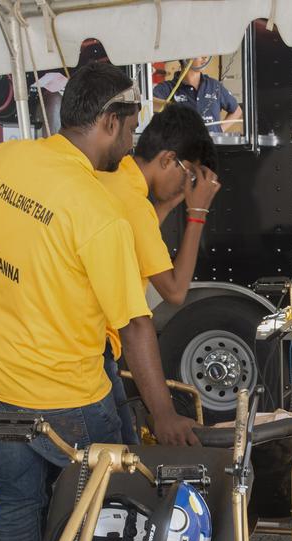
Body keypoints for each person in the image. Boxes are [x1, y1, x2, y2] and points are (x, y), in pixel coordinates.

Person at [0, 63, 200, 541]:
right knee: (107, 502)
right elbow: (135, 325)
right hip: (63, 391)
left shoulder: (7, 159)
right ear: (110, 122)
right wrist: (163, 414)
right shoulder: (96, 211)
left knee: (19, 498)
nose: (130, 144)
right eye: (131, 129)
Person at [96, 104, 222, 443]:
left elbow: (141, 233)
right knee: (114, 455)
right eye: (189, 175)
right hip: (93, 349)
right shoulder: (134, 203)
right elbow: (175, 291)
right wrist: (197, 212)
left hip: (77, 344)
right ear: (168, 159)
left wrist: (168, 202)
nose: (189, 185)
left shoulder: (118, 173)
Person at [153, 57, 242, 132]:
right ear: (185, 58)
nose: (205, 57)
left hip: (211, 146)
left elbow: (236, 110)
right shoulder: (167, 87)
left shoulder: (214, 85)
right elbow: (150, 102)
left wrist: (219, 130)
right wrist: (173, 108)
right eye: (199, 53)